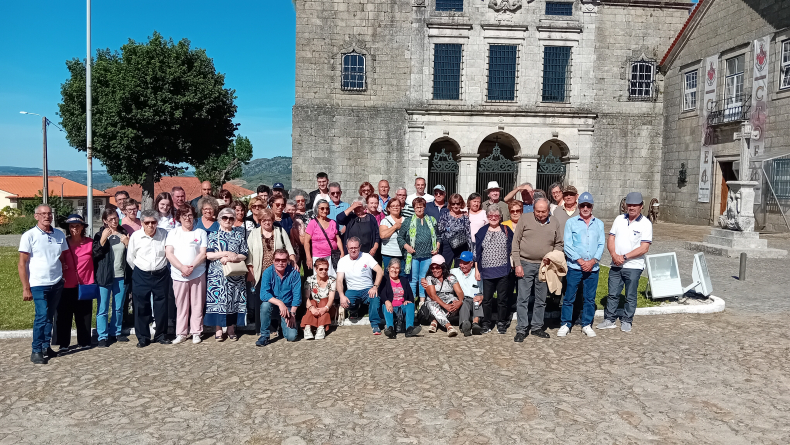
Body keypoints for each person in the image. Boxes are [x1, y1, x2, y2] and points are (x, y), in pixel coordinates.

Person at [18, 204, 68, 364]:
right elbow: (22, 263)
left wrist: (63, 273)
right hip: (38, 283)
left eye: (49, 213)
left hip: (56, 282)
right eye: (43, 214)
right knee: (41, 316)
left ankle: (46, 346)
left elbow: (62, 256)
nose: (47, 216)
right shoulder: (29, 235)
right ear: (36, 216)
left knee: (49, 316)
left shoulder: (59, 234)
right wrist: (26, 288)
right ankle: (36, 350)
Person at [597, 192, 652, 333]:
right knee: (612, 293)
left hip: (633, 266)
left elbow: (644, 248)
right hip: (616, 263)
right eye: (629, 205)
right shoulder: (619, 219)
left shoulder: (646, 224)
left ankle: (627, 320)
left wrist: (625, 257)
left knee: (630, 295)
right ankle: (609, 319)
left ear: (641, 206)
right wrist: (614, 255)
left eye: (635, 205)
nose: (631, 207)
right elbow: (611, 238)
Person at [512, 198, 563, 342]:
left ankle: (536, 327)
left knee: (541, 299)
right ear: (533, 209)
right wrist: (517, 264)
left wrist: (552, 257)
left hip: (544, 266)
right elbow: (515, 242)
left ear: (549, 210)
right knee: (523, 298)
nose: (540, 214)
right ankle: (521, 329)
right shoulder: (524, 219)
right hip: (525, 263)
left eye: (543, 212)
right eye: (537, 211)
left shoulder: (554, 222)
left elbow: (559, 243)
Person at [558, 192, 604, 339]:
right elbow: (568, 245)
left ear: (592, 207)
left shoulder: (599, 224)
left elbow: (601, 244)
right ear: (579, 206)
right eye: (583, 205)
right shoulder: (571, 223)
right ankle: (565, 324)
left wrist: (593, 261)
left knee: (590, 298)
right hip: (575, 267)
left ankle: (586, 324)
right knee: (569, 297)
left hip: (593, 268)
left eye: (588, 205)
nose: (585, 208)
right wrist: (580, 261)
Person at [246, 208, 296, 335]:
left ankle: (275, 326)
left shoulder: (280, 231)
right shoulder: (254, 233)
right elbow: (249, 252)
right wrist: (250, 269)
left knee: (276, 297)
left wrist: (293, 260)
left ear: (273, 220)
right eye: (264, 220)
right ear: (260, 221)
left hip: (277, 271)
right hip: (260, 271)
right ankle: (261, 329)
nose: (267, 222)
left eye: (269, 220)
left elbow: (289, 248)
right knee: (261, 300)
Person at [165, 204, 208, 345]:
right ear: (179, 217)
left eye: (190, 215)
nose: (187, 218)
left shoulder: (200, 232)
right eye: (184, 215)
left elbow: (202, 253)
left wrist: (191, 267)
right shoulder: (173, 233)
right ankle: (181, 333)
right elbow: (169, 253)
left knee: (197, 304)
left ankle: (196, 332)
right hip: (178, 275)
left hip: (197, 273)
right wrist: (182, 267)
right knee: (181, 305)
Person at [127, 210, 171, 347]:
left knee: (162, 306)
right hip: (141, 274)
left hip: (161, 274)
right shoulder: (136, 236)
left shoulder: (164, 234)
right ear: (142, 223)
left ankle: (161, 335)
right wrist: (141, 269)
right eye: (147, 222)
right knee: (141, 306)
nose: (151, 225)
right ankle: (143, 337)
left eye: (153, 222)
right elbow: (130, 257)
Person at [205, 207, 249, 341]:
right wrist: (225, 254)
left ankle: (231, 328)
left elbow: (244, 254)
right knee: (218, 301)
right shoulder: (213, 235)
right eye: (225, 218)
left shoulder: (239, 235)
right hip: (217, 276)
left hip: (235, 274)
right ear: (219, 219)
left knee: (233, 301)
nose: (228, 220)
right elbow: (209, 255)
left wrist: (232, 258)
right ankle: (218, 329)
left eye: (231, 218)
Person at [52, 214, 94, 352]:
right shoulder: (63, 243)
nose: (74, 228)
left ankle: (85, 341)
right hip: (66, 284)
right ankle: (63, 343)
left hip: (85, 284)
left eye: (77, 226)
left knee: (84, 314)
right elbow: (56, 258)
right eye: (71, 226)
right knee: (64, 315)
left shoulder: (90, 242)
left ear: (82, 227)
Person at [93, 208, 130, 347]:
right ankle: (102, 336)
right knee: (102, 307)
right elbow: (95, 254)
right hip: (104, 275)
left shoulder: (124, 233)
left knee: (118, 307)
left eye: (116, 218)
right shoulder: (99, 234)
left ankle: (116, 331)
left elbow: (131, 254)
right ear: (105, 221)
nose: (114, 221)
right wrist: (103, 239)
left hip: (121, 275)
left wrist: (128, 243)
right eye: (111, 219)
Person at [474, 207, 514, 334]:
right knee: (487, 299)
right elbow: (477, 252)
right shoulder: (482, 231)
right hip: (487, 271)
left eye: (496, 215)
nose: (493, 218)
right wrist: (477, 270)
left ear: (500, 217)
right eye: (490, 215)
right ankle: (486, 322)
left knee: (502, 299)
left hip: (503, 270)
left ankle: (501, 322)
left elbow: (513, 247)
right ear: (487, 217)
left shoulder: (506, 230)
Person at [336, 237, 384, 334]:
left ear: (360, 247)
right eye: (351, 248)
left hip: (368, 289)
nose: (353, 250)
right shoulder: (342, 261)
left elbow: (380, 271)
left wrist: (375, 286)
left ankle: (375, 324)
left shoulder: (366, 257)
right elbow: (339, 280)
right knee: (346, 302)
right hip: (352, 290)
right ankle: (353, 310)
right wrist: (341, 296)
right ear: (347, 247)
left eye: (356, 248)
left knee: (375, 298)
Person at [397, 197, 440, 306]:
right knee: (413, 279)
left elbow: (438, 236)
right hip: (413, 255)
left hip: (427, 255)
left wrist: (437, 247)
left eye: (421, 207)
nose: (419, 209)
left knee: (423, 279)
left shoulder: (431, 220)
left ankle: (422, 301)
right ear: (414, 208)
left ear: (425, 207)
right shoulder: (408, 221)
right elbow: (400, 237)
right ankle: (411, 301)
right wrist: (407, 247)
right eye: (417, 207)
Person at [257, 249, 302, 346]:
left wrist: (293, 313)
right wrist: (280, 303)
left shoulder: (294, 273)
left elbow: (297, 295)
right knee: (265, 305)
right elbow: (264, 294)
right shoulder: (267, 272)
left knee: (291, 337)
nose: (280, 263)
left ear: (288, 261)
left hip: (288, 307)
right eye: (277, 260)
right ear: (273, 260)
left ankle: (284, 326)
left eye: (283, 260)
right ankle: (264, 335)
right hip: (273, 306)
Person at [379, 258, 421, 338]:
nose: (394, 270)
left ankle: (409, 329)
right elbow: (382, 293)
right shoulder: (385, 279)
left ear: (399, 270)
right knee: (386, 306)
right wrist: (387, 301)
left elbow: (411, 296)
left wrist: (408, 300)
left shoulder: (404, 280)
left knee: (411, 305)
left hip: (401, 307)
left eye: (397, 268)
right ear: (388, 268)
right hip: (391, 306)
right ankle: (390, 329)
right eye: (392, 267)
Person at [423, 255, 462, 337]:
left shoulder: (451, 277)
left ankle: (435, 321)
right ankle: (449, 326)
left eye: (437, 267)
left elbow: (459, 292)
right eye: (432, 268)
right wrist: (445, 305)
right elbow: (433, 295)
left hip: (449, 299)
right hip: (435, 301)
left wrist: (460, 301)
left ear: (443, 267)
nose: (435, 270)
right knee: (432, 305)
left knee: (454, 303)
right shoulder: (430, 278)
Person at [305, 200, 344, 277]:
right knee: (320, 278)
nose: (325, 211)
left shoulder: (333, 223)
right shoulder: (312, 223)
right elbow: (306, 242)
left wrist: (342, 252)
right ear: (317, 209)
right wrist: (308, 257)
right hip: (318, 257)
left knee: (333, 278)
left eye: (327, 208)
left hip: (332, 257)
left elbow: (337, 239)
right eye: (322, 208)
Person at [301, 257, 336, 340]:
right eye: (321, 269)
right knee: (312, 302)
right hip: (314, 308)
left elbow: (331, 298)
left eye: (326, 269)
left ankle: (321, 328)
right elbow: (306, 297)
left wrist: (325, 308)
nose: (323, 271)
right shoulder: (310, 280)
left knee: (324, 300)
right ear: (315, 269)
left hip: (328, 307)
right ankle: (308, 328)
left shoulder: (332, 281)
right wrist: (312, 308)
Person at [450, 251, 484, 336]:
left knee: (477, 301)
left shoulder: (477, 273)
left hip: (476, 297)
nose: (462, 265)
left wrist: (482, 296)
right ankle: (465, 325)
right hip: (464, 298)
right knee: (463, 303)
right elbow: (442, 274)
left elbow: (485, 289)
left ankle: (475, 323)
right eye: (461, 262)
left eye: (465, 263)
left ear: (471, 264)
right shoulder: (454, 272)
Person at [438, 193, 473, 268]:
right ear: (450, 204)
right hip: (448, 245)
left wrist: (470, 248)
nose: (455, 206)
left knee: (460, 267)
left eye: (458, 203)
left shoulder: (465, 217)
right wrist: (451, 231)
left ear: (461, 204)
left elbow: (468, 232)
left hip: (461, 244)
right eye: (453, 204)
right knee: (445, 266)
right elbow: (440, 228)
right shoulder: (445, 215)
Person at [379, 199, 405, 274]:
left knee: (403, 276)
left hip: (402, 254)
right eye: (393, 206)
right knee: (389, 275)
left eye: (397, 205)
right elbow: (382, 235)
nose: (395, 207)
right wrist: (395, 226)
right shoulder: (385, 221)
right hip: (389, 254)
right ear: (388, 209)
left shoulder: (406, 220)